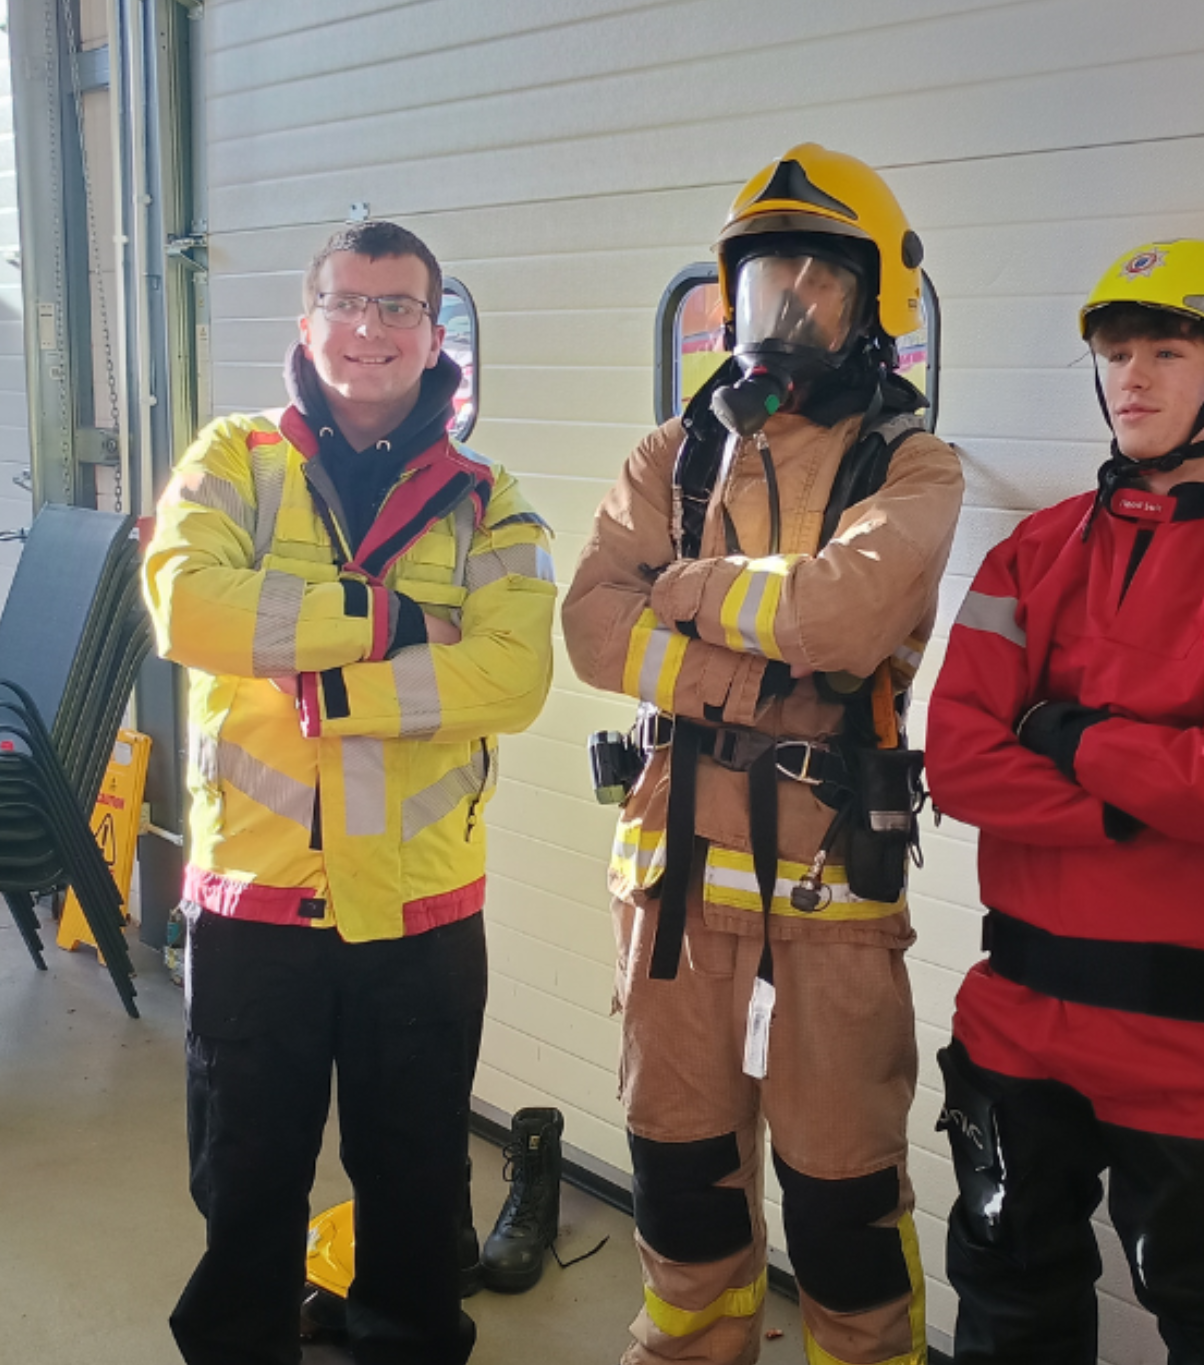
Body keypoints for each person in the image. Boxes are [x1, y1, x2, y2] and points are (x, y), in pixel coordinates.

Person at [924, 239, 1204, 1365]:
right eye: (1116, 353)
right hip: (1015, 1020)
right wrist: (1148, 788)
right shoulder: (1028, 556)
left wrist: (1065, 736)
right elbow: (961, 762)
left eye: (1165, 350)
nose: (1129, 376)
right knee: (1004, 1303)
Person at [563, 144, 965, 1365]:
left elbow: (844, 617)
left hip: (830, 902)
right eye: (759, 283)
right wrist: (751, 665)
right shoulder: (671, 457)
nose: (780, 311)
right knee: (680, 1190)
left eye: (814, 284)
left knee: (843, 1208)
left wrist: (679, 590)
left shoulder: (910, 467)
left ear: (873, 306)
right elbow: (590, 628)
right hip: (671, 899)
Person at [143, 219, 556, 1365]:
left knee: (418, 1200)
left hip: (419, 923)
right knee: (242, 1194)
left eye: (397, 309)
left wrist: (335, 692)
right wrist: (393, 624)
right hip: (254, 911)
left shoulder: (490, 503)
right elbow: (188, 609)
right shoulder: (231, 459)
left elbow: (514, 674)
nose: (368, 330)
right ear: (306, 318)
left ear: (435, 337)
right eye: (346, 301)